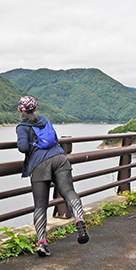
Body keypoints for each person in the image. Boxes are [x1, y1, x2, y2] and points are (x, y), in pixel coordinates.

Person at [16, 96, 89, 257]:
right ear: (35, 109)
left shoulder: (22, 126)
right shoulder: (45, 121)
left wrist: (31, 144)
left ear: (20, 110)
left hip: (40, 164)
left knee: (41, 205)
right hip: (60, 158)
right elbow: (54, 139)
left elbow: (22, 147)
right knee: (68, 191)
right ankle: (79, 219)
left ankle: (42, 242)